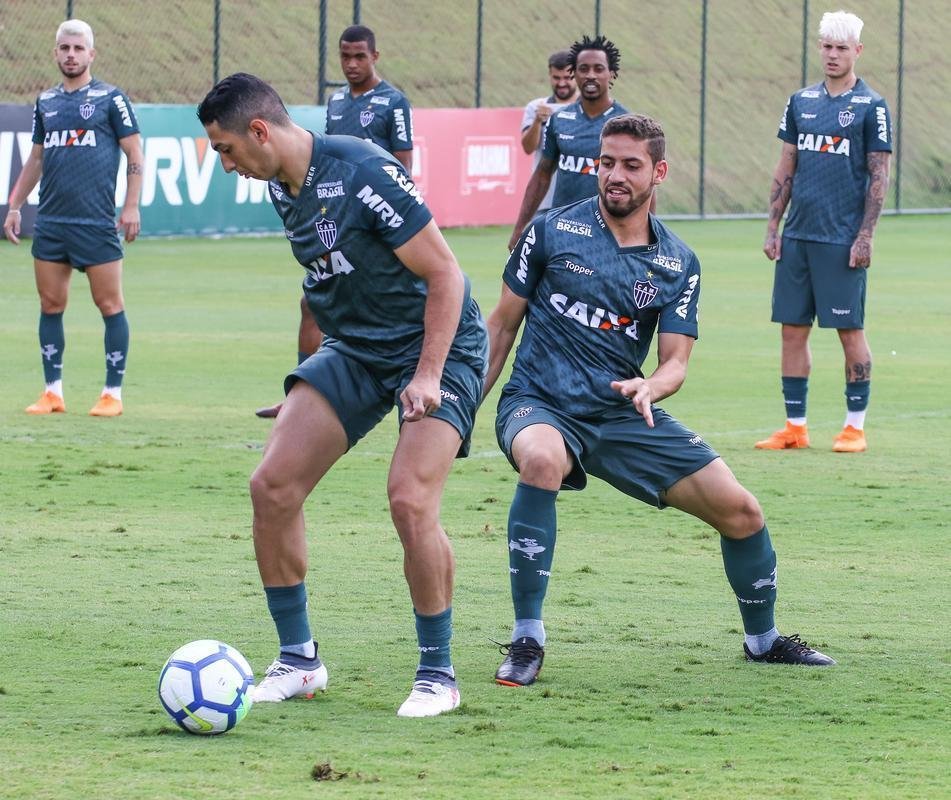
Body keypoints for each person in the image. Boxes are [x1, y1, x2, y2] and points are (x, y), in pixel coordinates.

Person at [485, 113, 835, 688]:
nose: (614, 175)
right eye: (606, 163)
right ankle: (527, 639)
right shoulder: (549, 231)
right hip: (538, 400)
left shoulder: (677, 262)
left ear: (659, 172)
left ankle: (763, 641)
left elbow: (675, 361)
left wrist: (651, 384)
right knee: (543, 461)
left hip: (622, 408)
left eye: (630, 165)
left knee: (742, 512)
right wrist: (463, 408)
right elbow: (501, 327)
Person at [197, 73, 487, 717]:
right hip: (355, 350)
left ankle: (438, 674)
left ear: (260, 131)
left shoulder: (362, 170)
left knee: (409, 500)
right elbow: (319, 285)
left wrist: (429, 374)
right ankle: (299, 661)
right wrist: (306, 382)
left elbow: (447, 275)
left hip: (438, 346)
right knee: (271, 486)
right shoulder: (281, 186)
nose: (225, 164)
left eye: (225, 149)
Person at [255, 24, 414, 419]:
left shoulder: (394, 101)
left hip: (376, 214)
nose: (352, 64)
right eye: (345, 56)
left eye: (360, 56)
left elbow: (403, 165)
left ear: (375, 57)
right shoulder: (337, 101)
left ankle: (403, 378)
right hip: (333, 213)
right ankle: (305, 384)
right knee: (312, 301)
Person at [757, 10, 891, 453]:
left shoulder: (872, 106)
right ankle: (795, 427)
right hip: (798, 237)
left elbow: (879, 175)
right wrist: (774, 225)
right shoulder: (800, 102)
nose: (833, 55)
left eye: (841, 47)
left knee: (849, 330)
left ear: (857, 51)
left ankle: (855, 427)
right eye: (827, 47)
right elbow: (786, 164)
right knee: (791, 331)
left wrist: (866, 235)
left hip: (841, 240)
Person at [3, 19, 142, 417]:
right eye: (64, 48)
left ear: (91, 54)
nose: (71, 55)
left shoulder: (110, 99)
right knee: (50, 304)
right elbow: (37, 159)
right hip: (52, 221)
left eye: (78, 49)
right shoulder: (45, 101)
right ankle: (52, 392)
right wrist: (15, 205)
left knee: (110, 305)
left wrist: (131, 206)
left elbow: (135, 155)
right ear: (55, 53)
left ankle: (112, 394)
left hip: (96, 222)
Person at [507, 34, 629, 251]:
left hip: (608, 233)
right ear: (575, 73)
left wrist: (648, 235)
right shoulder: (560, 120)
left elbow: (645, 185)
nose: (591, 75)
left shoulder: (625, 123)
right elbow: (542, 175)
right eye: (583, 68)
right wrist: (520, 227)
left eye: (598, 69)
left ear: (611, 73)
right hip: (563, 231)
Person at [519, 49, 579, 214]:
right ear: (549, 76)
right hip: (544, 199)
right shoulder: (536, 107)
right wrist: (538, 121)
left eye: (568, 78)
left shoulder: (588, 110)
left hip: (579, 198)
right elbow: (527, 148)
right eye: (556, 78)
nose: (561, 83)